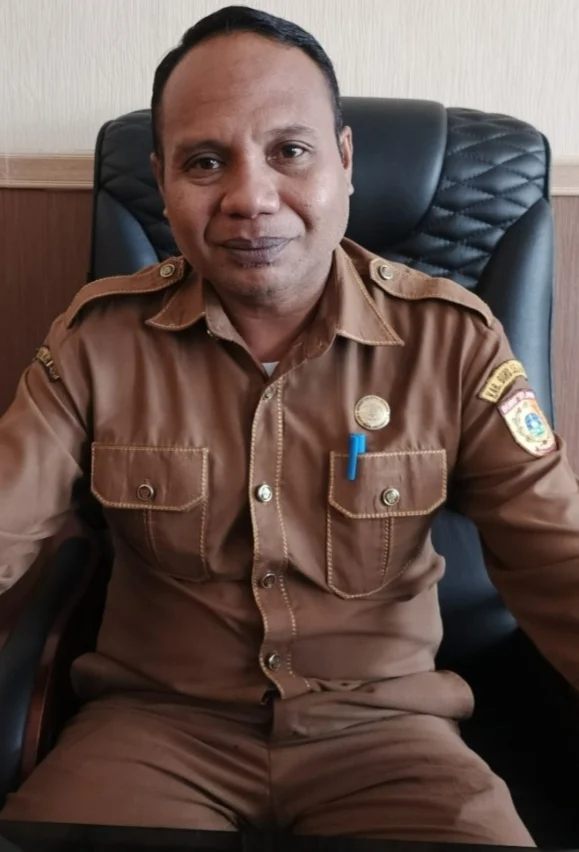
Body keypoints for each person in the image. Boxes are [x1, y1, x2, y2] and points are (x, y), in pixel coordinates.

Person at [0, 5, 577, 845]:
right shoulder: (99, 340)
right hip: (151, 734)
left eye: (289, 152)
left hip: (388, 738)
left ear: (344, 160)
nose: (249, 198)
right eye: (205, 161)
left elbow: (557, 558)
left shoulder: (450, 340)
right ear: (161, 179)